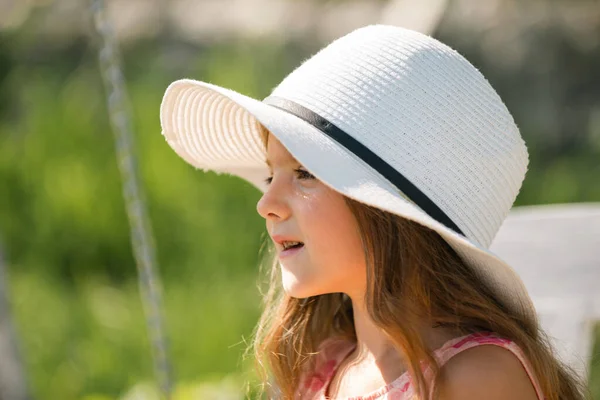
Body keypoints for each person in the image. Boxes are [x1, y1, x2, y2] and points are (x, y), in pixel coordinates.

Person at [159, 25, 588, 399]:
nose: (266, 204)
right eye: (273, 177)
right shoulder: (321, 367)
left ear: (389, 213)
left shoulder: (474, 379)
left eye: (305, 173)